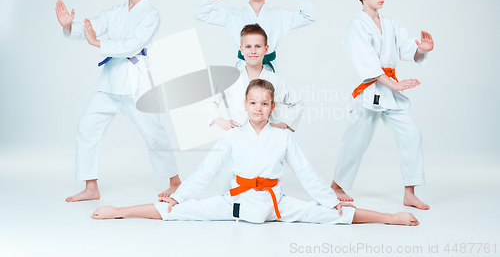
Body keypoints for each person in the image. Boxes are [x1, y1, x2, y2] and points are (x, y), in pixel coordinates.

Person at [92, 80, 419, 227]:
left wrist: (333, 200)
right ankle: (120, 211)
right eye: (252, 103)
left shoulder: (283, 138)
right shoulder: (234, 136)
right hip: (235, 204)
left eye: (264, 104)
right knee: (176, 211)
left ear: (272, 107)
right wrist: (180, 197)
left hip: (275, 204)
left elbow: (307, 174)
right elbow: (207, 170)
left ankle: (390, 217)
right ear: (245, 106)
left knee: (334, 216)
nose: (258, 108)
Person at [55, 0, 180, 202]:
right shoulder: (115, 12)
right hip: (110, 82)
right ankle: (91, 187)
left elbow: (131, 45)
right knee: (87, 127)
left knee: (153, 133)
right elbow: (93, 26)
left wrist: (97, 42)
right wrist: (70, 26)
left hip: (136, 84)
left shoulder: (151, 15)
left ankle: (174, 181)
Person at [330, 0, 434, 210]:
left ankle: (410, 192)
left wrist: (423, 49)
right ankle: (337, 185)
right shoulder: (357, 25)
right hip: (370, 90)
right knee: (356, 140)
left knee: (412, 134)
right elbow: (366, 62)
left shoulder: (390, 24)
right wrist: (394, 84)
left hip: (390, 91)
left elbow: (408, 48)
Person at [205, 23, 304, 194]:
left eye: (258, 46)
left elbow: (298, 102)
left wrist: (284, 123)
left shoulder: (275, 80)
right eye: (248, 47)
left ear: (266, 49)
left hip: (265, 139)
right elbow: (209, 100)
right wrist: (220, 121)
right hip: (237, 138)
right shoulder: (231, 78)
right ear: (241, 50)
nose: (253, 51)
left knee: (264, 184)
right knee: (229, 187)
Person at [194, 0, 317, 72]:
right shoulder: (232, 14)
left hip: (268, 70)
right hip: (243, 69)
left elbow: (310, 16)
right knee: (243, 98)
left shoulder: (280, 15)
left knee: (268, 98)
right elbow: (201, 15)